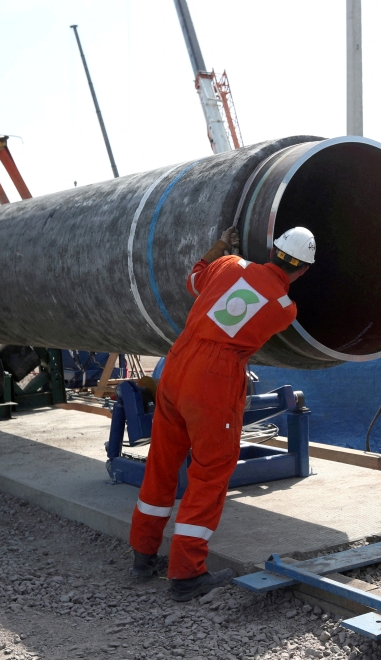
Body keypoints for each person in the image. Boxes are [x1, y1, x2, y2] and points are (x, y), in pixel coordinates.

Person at [128, 225, 315, 601]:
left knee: (163, 462)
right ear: (304, 271)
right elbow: (247, 321)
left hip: (177, 364)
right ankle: (185, 574)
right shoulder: (285, 308)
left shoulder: (228, 264)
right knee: (211, 472)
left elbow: (194, 280)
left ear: (273, 250)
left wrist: (216, 248)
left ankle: (143, 556)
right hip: (213, 381)